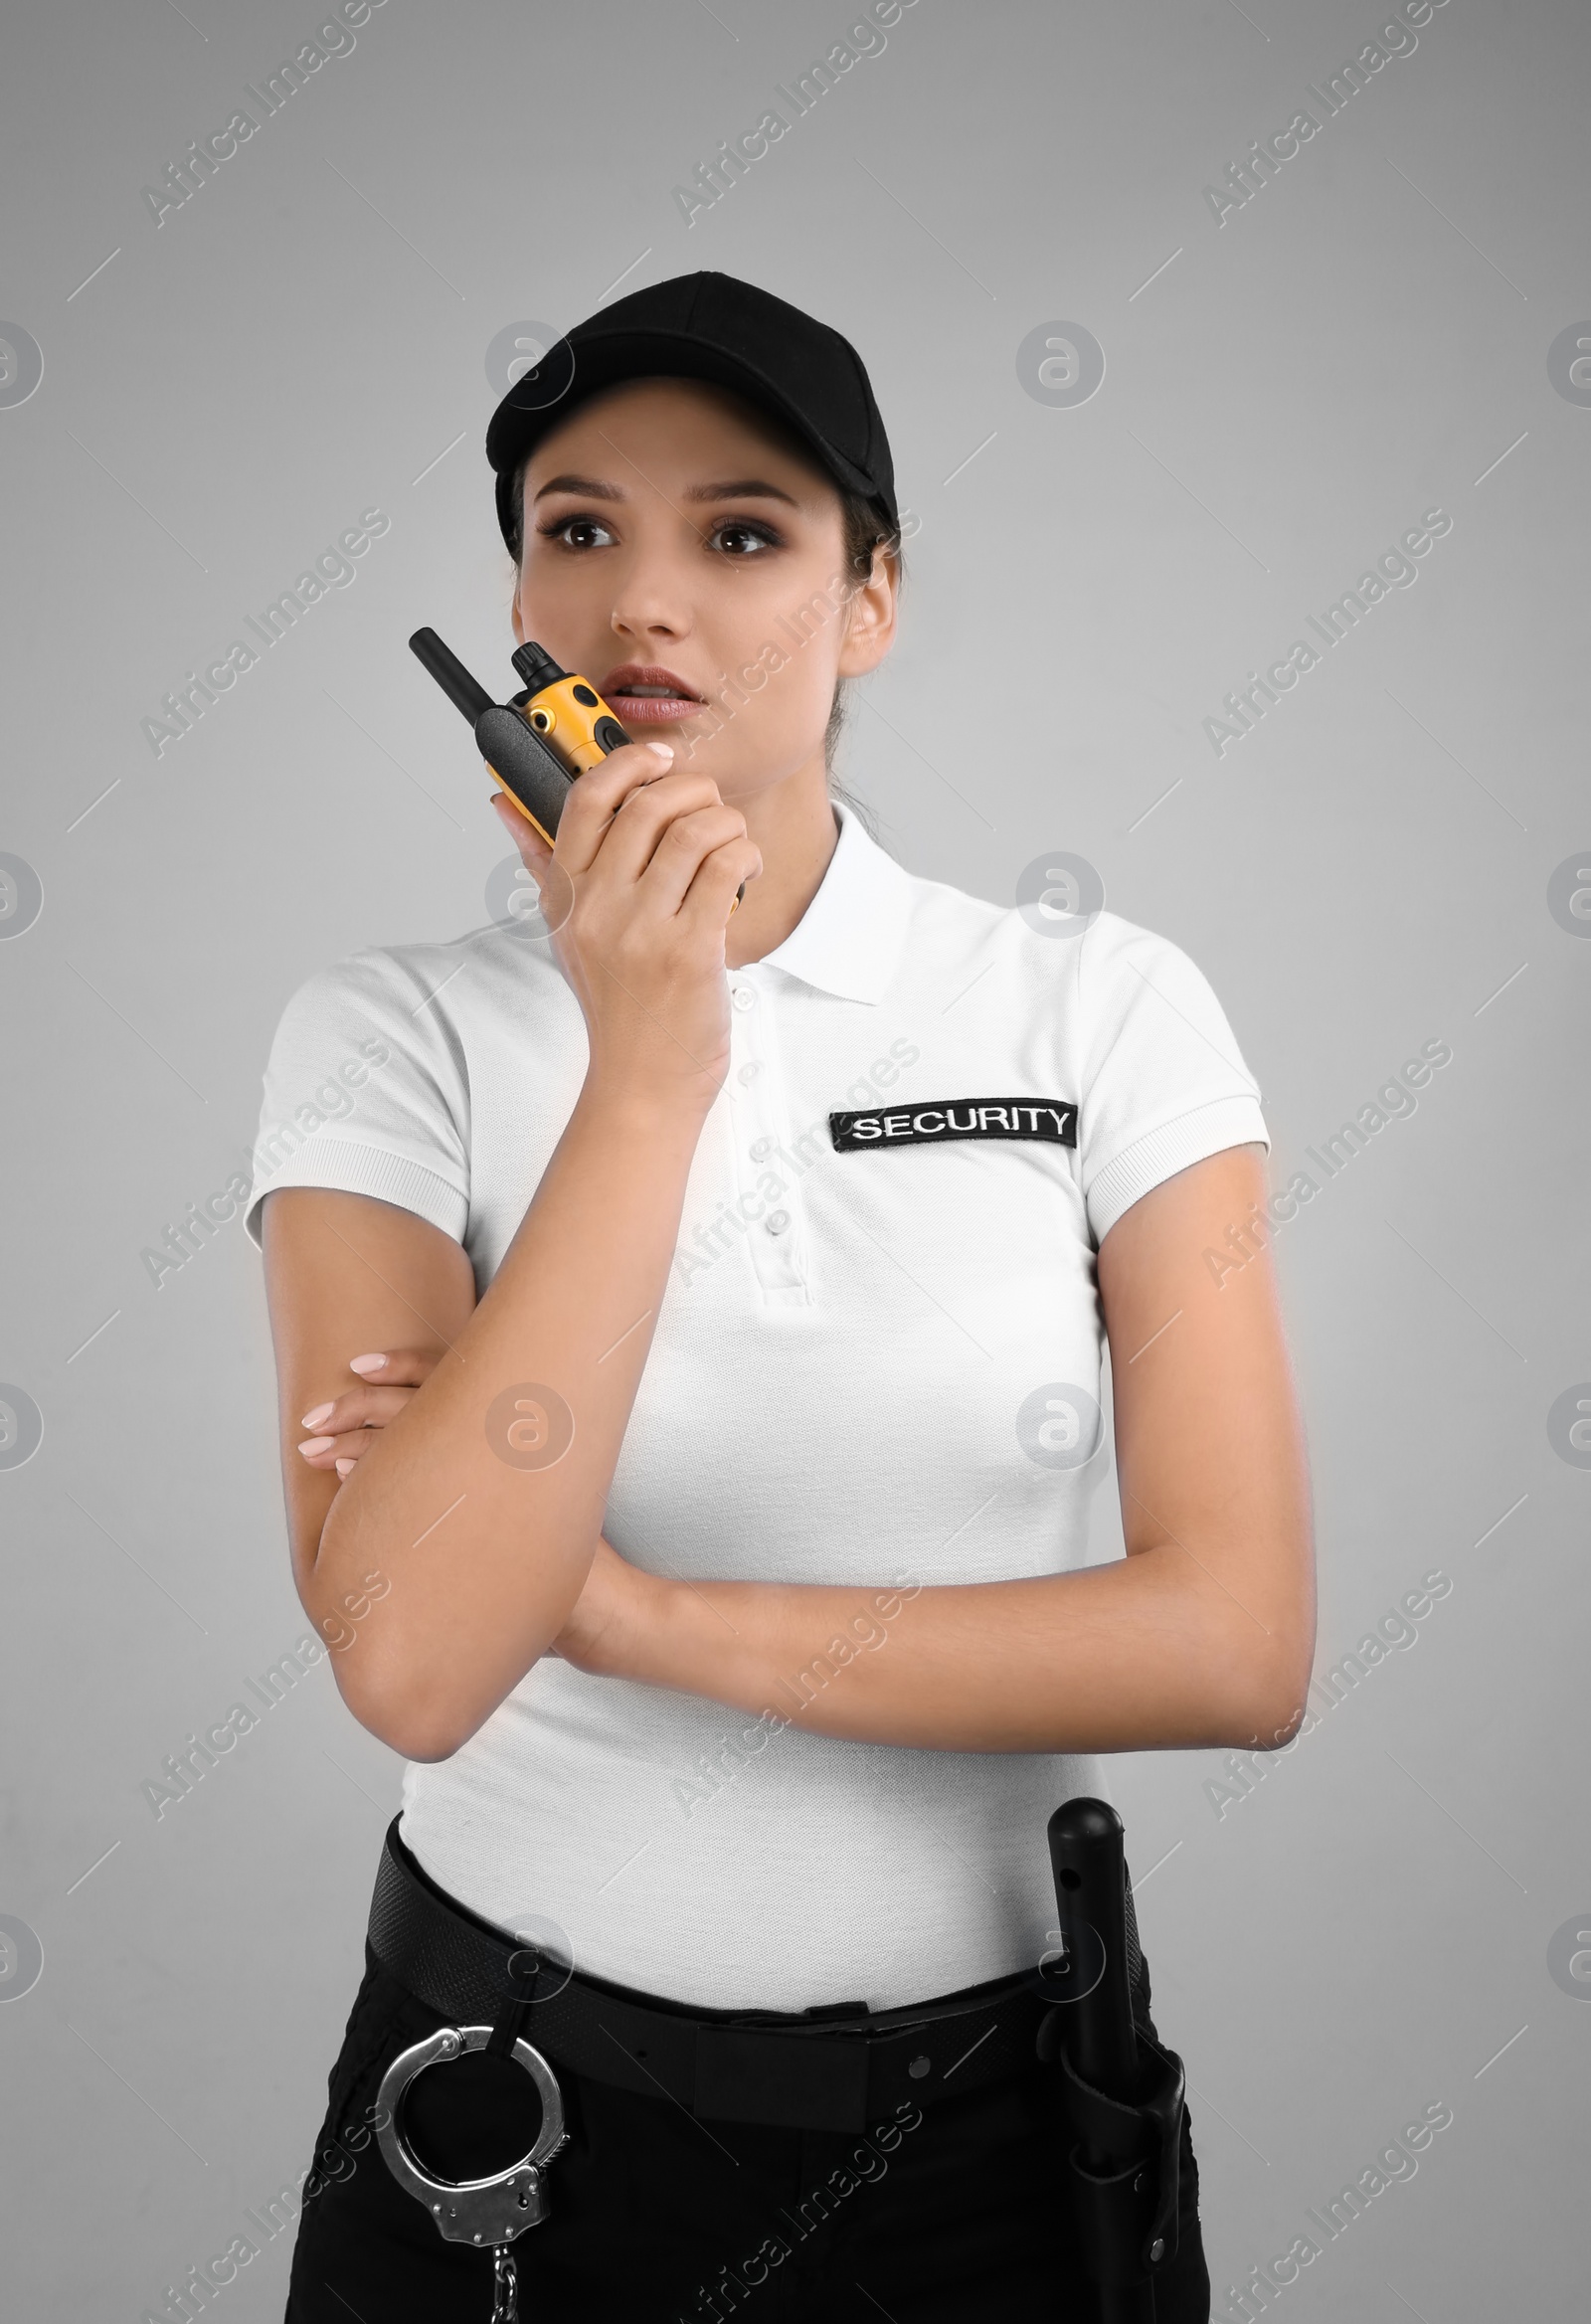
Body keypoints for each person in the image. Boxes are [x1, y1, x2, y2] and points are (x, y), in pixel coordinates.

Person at [247, 269, 1315, 2323]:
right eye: (578, 528)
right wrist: (650, 1058)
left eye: (741, 532)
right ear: (517, 615)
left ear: (869, 601)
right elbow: (412, 1658)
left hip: (1000, 2154)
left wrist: (635, 1613)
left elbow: (1234, 1639)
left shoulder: (1096, 1004)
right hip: (509, 2139)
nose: (644, 598)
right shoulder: (386, 1038)